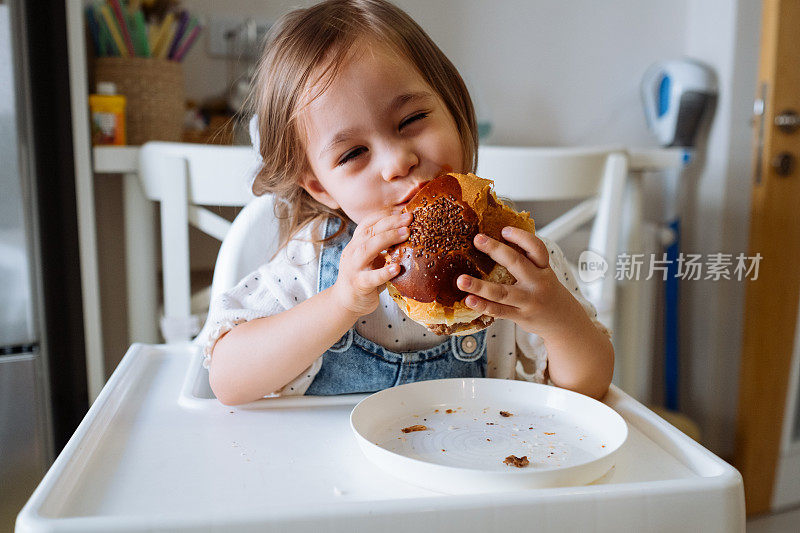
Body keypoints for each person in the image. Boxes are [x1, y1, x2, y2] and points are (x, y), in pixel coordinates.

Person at [202, 0, 614, 405]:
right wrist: (340, 304)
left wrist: (557, 318)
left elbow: (589, 391)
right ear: (322, 188)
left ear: (453, 109)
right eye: (352, 154)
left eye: (411, 120)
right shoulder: (313, 263)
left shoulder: (517, 256)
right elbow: (227, 380)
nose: (398, 162)